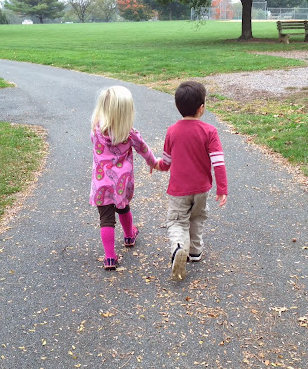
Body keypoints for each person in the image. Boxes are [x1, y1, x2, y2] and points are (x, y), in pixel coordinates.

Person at [153, 81, 228, 280]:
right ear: (201, 108)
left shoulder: (172, 131)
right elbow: (218, 162)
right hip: (202, 189)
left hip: (179, 190)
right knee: (197, 218)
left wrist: (155, 164)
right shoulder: (210, 131)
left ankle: (179, 247)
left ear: (178, 106)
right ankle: (195, 251)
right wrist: (222, 188)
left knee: (177, 221)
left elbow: (166, 163)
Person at [90, 86, 159, 271]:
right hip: (121, 182)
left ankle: (110, 258)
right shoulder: (129, 133)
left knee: (106, 219)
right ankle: (129, 236)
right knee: (123, 207)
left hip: (101, 183)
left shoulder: (96, 130)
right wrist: (153, 162)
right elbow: (143, 149)